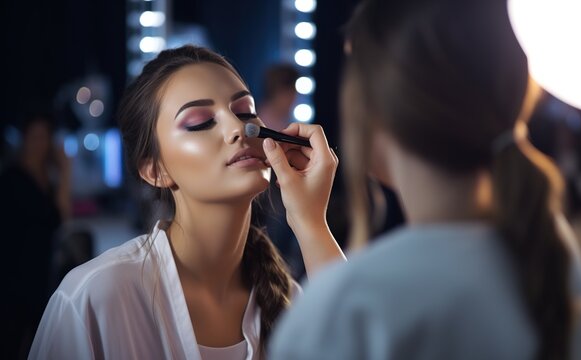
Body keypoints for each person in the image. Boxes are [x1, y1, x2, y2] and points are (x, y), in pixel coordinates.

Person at [269, 1, 581, 359]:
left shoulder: (344, 309)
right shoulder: (551, 249)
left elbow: (347, 312)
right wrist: (310, 223)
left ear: (377, 108)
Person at [28, 45, 344, 359]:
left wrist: (312, 221)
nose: (238, 128)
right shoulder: (93, 298)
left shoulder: (289, 301)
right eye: (200, 122)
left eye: (245, 112)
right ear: (155, 169)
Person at [0, 112, 71, 359]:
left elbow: (61, 219)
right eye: (35, 137)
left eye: (45, 137)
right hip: (12, 281)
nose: (40, 144)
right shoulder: (12, 179)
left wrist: (65, 173)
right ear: (25, 139)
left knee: (41, 347)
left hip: (40, 276)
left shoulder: (47, 180)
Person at [255, 63, 306, 279]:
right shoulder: (260, 124)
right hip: (267, 202)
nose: (295, 98)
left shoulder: (286, 124)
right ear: (282, 91)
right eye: (292, 92)